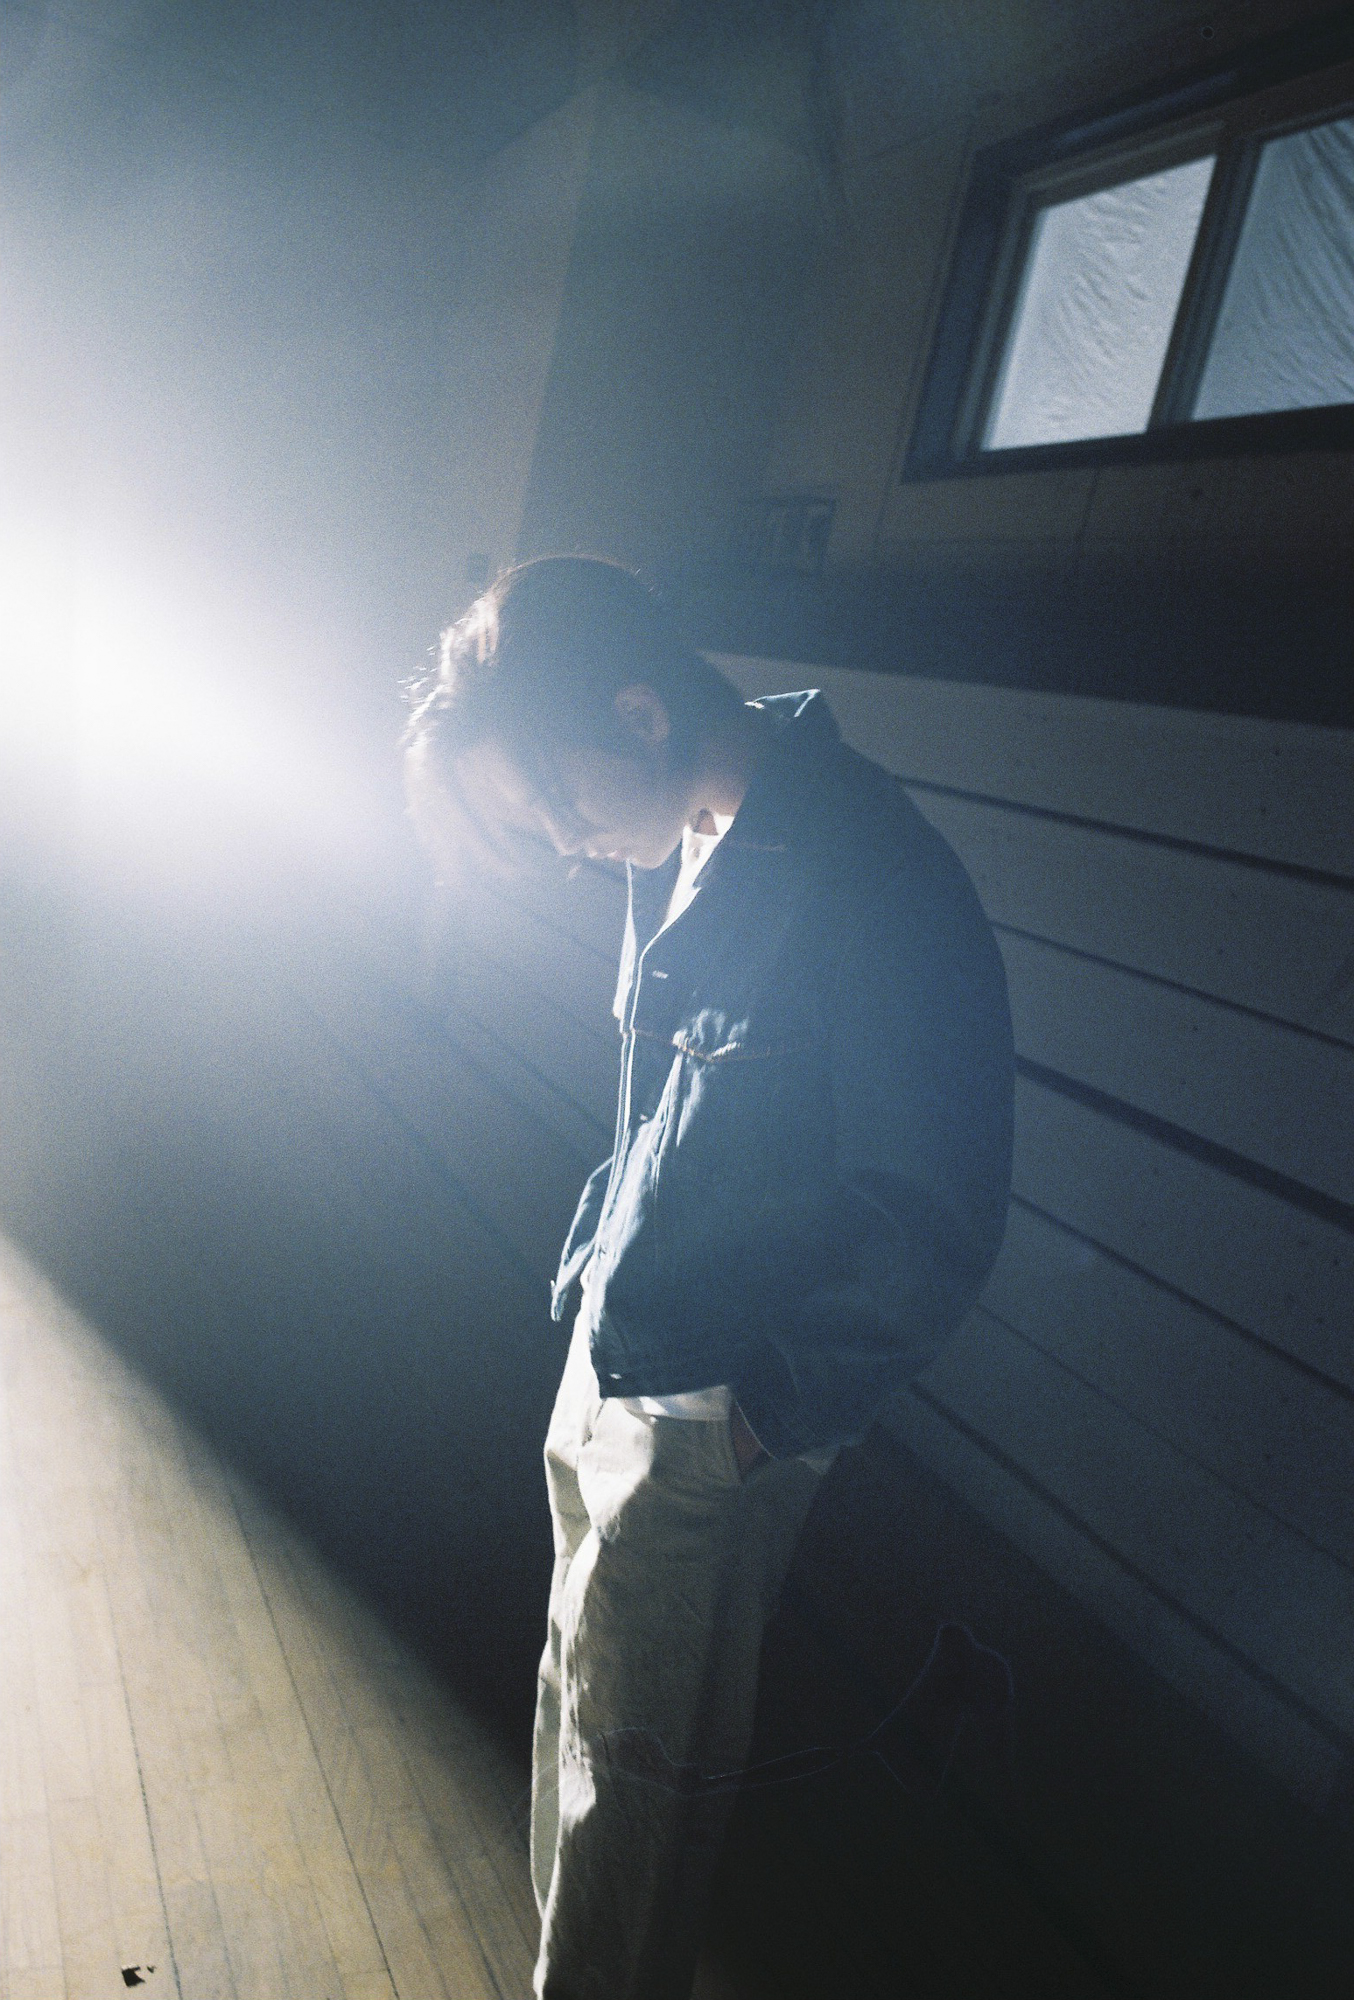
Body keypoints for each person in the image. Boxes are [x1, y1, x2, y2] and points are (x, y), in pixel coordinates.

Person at [403, 555, 1014, 2000]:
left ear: (639, 713)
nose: (565, 848)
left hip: (706, 1420)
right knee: (575, 1712)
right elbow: (671, 1108)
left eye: (553, 808)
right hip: (615, 1356)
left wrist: (756, 1421)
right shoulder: (682, 828)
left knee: (636, 1794)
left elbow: (935, 1218)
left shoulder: (872, 878)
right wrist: (595, 1268)